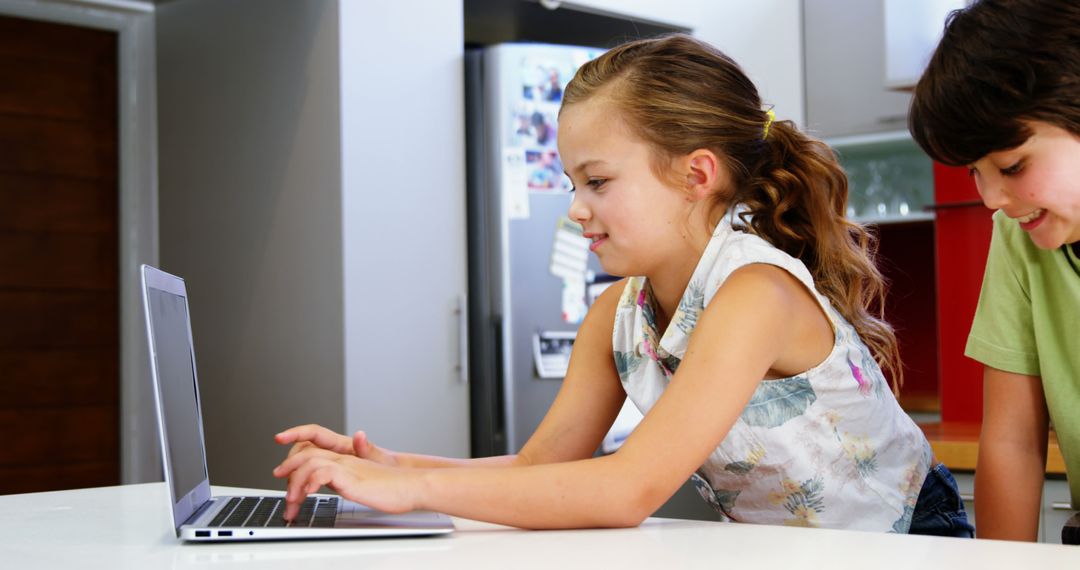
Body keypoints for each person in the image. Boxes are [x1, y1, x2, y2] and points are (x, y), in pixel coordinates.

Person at [273, 34, 972, 535]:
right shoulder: (618, 311)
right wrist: (388, 466)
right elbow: (543, 466)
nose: (576, 208)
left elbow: (626, 489)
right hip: (793, 551)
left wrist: (411, 490)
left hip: (908, 537)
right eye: (573, 183)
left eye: (598, 182)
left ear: (696, 176)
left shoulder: (754, 293)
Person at [907, 0, 1080, 542]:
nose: (992, 200)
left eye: (1011, 167)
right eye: (976, 174)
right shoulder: (1021, 234)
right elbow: (1012, 441)